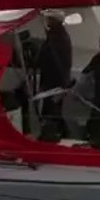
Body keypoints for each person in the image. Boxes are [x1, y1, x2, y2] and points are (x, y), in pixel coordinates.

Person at [35, 10, 73, 142]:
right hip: (58, 80)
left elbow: (51, 59)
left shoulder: (56, 37)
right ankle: (57, 133)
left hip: (54, 80)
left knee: (51, 109)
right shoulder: (61, 35)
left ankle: (53, 134)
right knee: (53, 108)